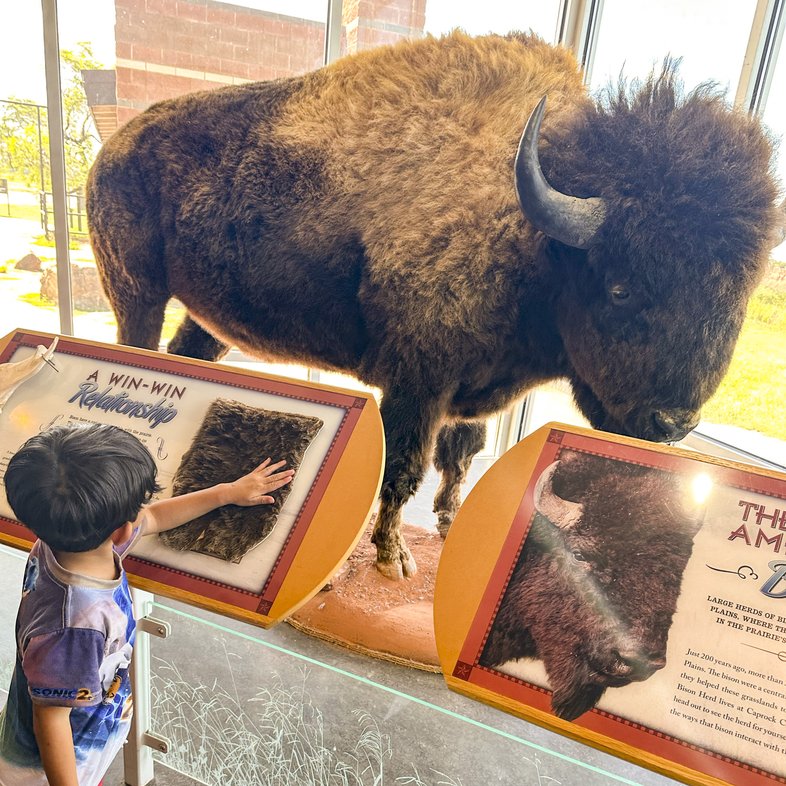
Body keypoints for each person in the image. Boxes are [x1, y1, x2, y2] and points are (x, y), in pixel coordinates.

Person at [0, 422, 295, 786]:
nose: (144, 511)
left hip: (72, 734)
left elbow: (153, 518)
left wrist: (226, 492)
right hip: (46, 771)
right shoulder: (76, 626)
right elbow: (52, 719)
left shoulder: (65, 544)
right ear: (121, 531)